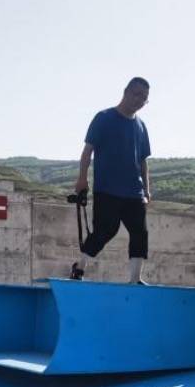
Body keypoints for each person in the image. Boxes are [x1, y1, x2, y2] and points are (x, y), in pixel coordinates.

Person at [69, 77, 152, 284]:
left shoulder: (141, 126)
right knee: (105, 231)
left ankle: (135, 279)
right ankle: (80, 267)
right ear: (126, 91)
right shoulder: (104, 118)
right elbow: (88, 150)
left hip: (134, 191)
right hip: (107, 189)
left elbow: (143, 161)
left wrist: (147, 191)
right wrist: (82, 179)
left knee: (140, 232)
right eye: (137, 94)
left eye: (145, 98)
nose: (140, 100)